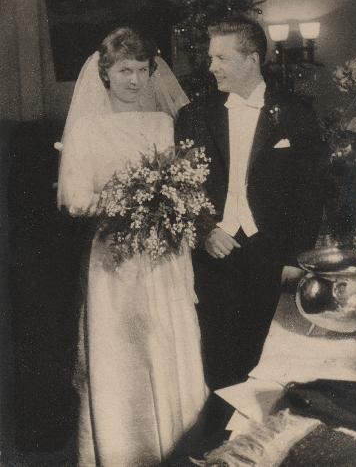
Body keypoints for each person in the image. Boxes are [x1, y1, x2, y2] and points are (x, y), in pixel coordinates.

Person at [57, 27, 208, 466]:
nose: (134, 80)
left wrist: (168, 201)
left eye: (143, 70)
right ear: (105, 72)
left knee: (167, 340)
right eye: (125, 70)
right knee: (121, 352)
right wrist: (126, 199)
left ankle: (177, 446)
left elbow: (179, 184)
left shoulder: (163, 123)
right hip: (114, 259)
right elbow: (76, 198)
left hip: (163, 257)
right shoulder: (86, 129)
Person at [176, 16, 324, 407]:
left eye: (221, 58)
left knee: (268, 358)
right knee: (219, 357)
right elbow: (181, 185)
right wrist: (205, 230)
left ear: (252, 59)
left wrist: (295, 258)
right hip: (214, 253)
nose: (211, 67)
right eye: (211, 58)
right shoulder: (194, 115)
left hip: (271, 255)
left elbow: (311, 191)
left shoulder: (295, 113)